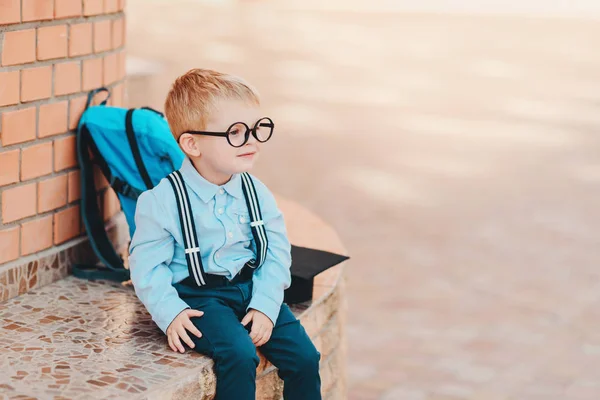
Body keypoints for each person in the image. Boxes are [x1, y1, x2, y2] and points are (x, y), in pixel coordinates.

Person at [128, 68, 322, 400]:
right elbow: (147, 267)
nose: (251, 141)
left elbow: (276, 252)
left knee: (306, 358)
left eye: (256, 129)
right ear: (192, 143)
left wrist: (264, 304)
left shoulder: (257, 192)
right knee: (238, 354)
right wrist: (169, 311)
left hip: (251, 288)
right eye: (235, 132)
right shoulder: (161, 202)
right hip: (199, 297)